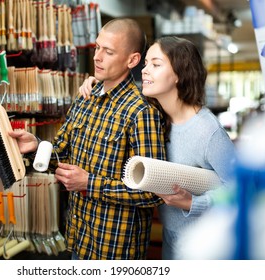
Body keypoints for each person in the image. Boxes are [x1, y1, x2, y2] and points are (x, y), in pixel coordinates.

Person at [9, 18, 166, 260]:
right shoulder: (85, 99)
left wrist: (88, 183)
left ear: (132, 60)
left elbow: (153, 192)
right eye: (97, 47)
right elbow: (62, 153)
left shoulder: (141, 113)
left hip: (114, 249)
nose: (97, 57)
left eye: (109, 51)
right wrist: (36, 146)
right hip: (79, 239)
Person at [79, 36, 236, 260]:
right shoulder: (159, 117)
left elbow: (243, 188)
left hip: (205, 244)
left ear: (179, 75)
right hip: (172, 237)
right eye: (145, 64)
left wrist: (193, 202)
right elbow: (123, 97)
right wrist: (100, 83)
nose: (144, 70)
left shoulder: (207, 131)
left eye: (156, 64)